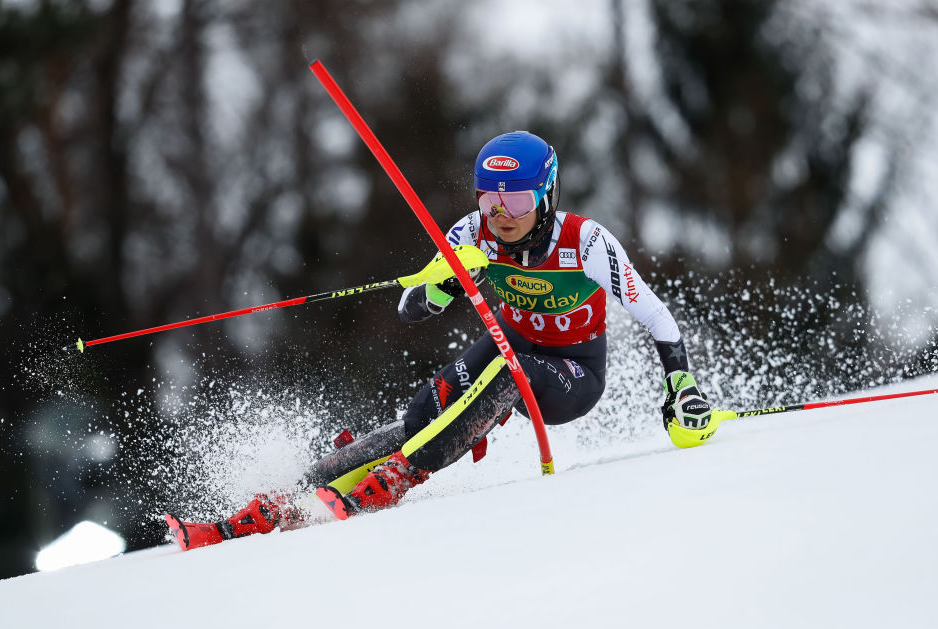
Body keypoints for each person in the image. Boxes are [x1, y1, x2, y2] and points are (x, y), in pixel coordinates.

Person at [165, 131, 713, 550]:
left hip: (572, 374)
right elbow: (410, 307)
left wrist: (681, 386)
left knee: (509, 369)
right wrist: (445, 284)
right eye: (489, 201)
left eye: (517, 202)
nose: (501, 217)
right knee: (425, 411)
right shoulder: (470, 235)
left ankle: (400, 477)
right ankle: (282, 499)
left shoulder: (585, 242)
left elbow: (657, 316)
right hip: (509, 348)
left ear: (545, 197)